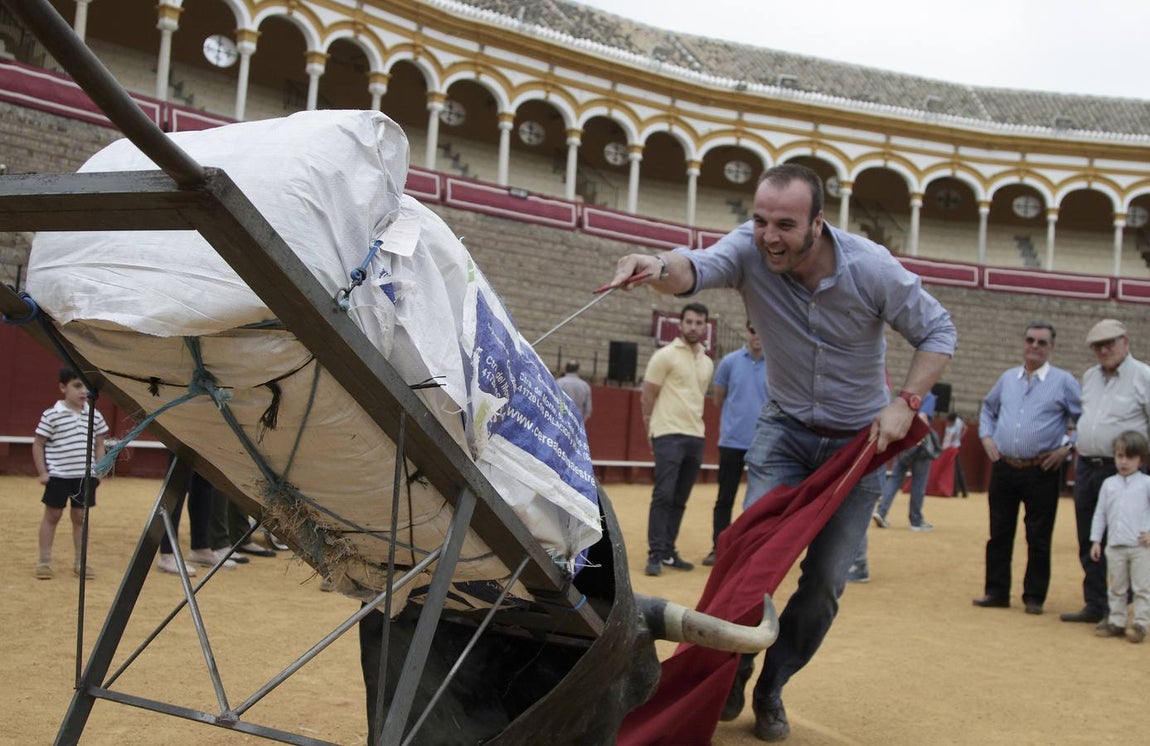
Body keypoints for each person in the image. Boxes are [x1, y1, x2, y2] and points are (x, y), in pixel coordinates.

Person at [607, 163, 956, 741]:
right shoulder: (748, 250)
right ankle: (734, 666)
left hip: (856, 446)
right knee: (753, 563)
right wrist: (656, 265)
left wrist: (908, 401)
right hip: (784, 431)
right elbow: (695, 266)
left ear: (819, 224)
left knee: (823, 582)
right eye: (761, 220)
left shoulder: (871, 268)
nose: (769, 235)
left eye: (786, 224)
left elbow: (939, 331)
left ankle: (773, 685)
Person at [975, 322, 1081, 616]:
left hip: (1042, 468)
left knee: (1039, 535)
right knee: (999, 531)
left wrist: (1066, 448)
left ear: (1051, 348)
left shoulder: (1064, 382)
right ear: (1023, 343)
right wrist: (986, 436)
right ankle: (996, 591)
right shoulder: (1008, 378)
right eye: (1031, 340)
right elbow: (987, 408)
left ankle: (1034, 596)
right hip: (1005, 467)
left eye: (1042, 342)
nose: (1035, 346)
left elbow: (1085, 418)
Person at [1061, 319, 1150, 625]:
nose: (1104, 350)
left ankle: (1123, 605)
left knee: (1127, 537)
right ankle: (1096, 602)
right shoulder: (1089, 377)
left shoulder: (1144, 377)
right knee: (1090, 534)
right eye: (1098, 346)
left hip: (1126, 470)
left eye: (1110, 342)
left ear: (1126, 341)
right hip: (1088, 466)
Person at [641, 302, 714, 577]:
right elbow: (647, 396)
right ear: (680, 324)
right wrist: (651, 431)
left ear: (705, 326)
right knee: (663, 494)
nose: (694, 327)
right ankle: (655, 554)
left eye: (699, 323)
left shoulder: (707, 362)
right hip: (668, 433)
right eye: (690, 322)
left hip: (696, 435)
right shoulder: (665, 356)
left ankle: (669, 551)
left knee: (680, 498)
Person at [32, 366, 108, 580]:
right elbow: (38, 444)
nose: (83, 391)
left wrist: (98, 471)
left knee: (81, 517)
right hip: (58, 476)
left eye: (85, 386)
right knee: (52, 515)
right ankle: (44, 561)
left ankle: (80, 562)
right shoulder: (51, 415)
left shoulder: (95, 415)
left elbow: (99, 445)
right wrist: (43, 472)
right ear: (63, 387)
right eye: (77, 385)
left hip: (84, 477)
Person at [704, 322, 768, 566]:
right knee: (725, 497)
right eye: (753, 330)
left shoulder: (776, 363)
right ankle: (718, 548)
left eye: (761, 330)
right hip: (732, 441)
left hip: (764, 442)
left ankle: (753, 549)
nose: (757, 336)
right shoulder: (729, 362)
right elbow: (719, 399)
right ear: (747, 331)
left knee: (760, 501)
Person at [1089, 430, 1150, 643]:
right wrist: (1096, 540)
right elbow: (1100, 514)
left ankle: (1141, 623)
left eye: (1130, 457)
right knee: (1116, 586)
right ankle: (1117, 621)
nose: (1124, 462)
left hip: (1141, 546)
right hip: (1114, 545)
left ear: (1140, 459)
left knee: (1142, 587)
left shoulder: (1146, 483)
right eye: (1119, 456)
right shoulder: (1109, 484)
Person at [872, 392, 939, 532]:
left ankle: (881, 511)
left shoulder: (904, 395)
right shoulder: (928, 397)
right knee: (919, 482)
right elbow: (923, 417)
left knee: (895, 478)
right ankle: (916, 520)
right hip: (919, 446)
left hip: (903, 444)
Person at [942, 412, 969, 497]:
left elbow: (948, 439)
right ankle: (964, 491)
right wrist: (960, 438)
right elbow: (965, 428)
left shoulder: (951, 428)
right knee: (958, 470)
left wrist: (943, 449)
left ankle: (955, 491)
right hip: (957, 446)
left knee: (954, 470)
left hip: (951, 448)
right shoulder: (959, 421)